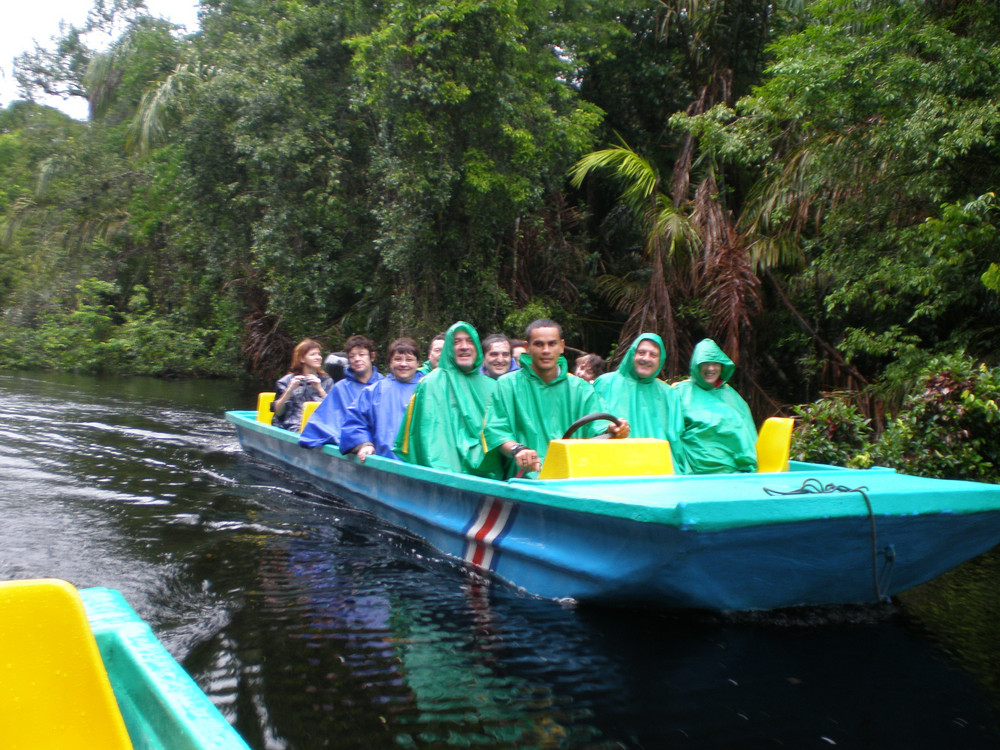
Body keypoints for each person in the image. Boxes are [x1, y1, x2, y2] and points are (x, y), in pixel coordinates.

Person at [482, 319, 629, 479]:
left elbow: (599, 427)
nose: (546, 350)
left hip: (573, 479)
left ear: (562, 346)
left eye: (552, 344)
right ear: (527, 347)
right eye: (539, 344)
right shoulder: (508, 385)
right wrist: (519, 450)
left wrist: (614, 429)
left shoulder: (581, 388)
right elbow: (496, 429)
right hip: (525, 481)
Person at [394, 322, 502, 477]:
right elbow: (424, 441)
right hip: (442, 481)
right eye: (456, 342)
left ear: (477, 347)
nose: (464, 346)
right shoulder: (430, 384)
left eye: (469, 341)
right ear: (448, 349)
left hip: (486, 479)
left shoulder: (493, 387)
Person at [593, 333, 683, 467]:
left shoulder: (669, 394)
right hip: (613, 467)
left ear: (660, 360)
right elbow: (591, 424)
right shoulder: (606, 383)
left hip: (657, 470)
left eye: (653, 355)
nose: (646, 358)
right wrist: (608, 429)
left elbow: (676, 439)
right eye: (641, 352)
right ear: (632, 354)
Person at [674, 338, 757, 474]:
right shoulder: (682, 392)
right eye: (705, 363)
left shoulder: (731, 395)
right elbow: (673, 433)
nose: (710, 368)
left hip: (735, 471)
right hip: (695, 471)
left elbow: (748, 433)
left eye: (715, 364)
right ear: (696, 366)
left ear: (722, 366)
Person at [340, 338, 424, 462]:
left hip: (423, 464)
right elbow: (355, 421)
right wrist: (364, 444)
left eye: (409, 359)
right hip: (385, 463)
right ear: (390, 363)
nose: (403, 364)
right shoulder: (374, 391)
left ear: (417, 363)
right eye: (398, 359)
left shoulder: (429, 389)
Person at [298, 335, 384, 448]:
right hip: (355, 445)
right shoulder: (341, 388)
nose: (357, 359)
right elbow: (325, 422)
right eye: (352, 356)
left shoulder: (384, 384)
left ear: (371, 357)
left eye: (362, 354)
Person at [272, 339, 334, 432]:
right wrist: (289, 390)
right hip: (291, 426)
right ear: (302, 359)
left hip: (319, 427)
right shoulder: (285, 381)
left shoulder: (327, 381)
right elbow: (278, 411)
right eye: (313, 354)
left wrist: (320, 390)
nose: (318, 357)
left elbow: (334, 411)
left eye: (319, 354)